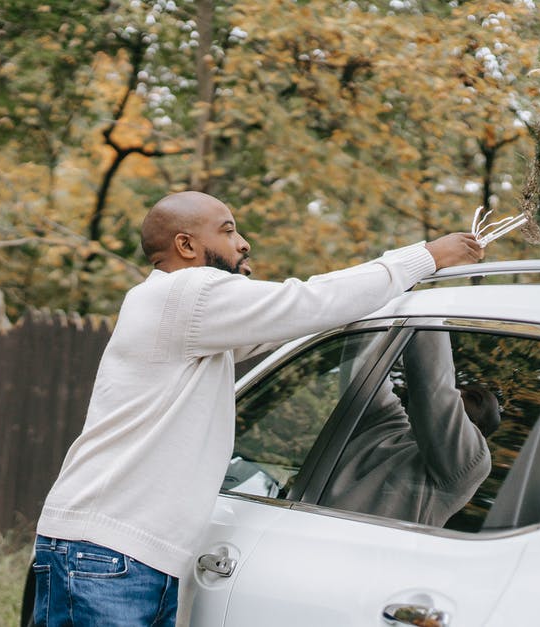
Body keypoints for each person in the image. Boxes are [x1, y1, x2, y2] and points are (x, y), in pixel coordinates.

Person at [32, 190, 485, 626]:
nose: (243, 242)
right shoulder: (185, 294)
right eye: (228, 231)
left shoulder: (184, 314)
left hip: (119, 554)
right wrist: (424, 257)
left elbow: (303, 318)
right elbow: (305, 300)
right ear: (186, 246)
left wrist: (397, 282)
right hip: (106, 554)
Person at [323, 330, 501, 527]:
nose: (459, 392)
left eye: (474, 398)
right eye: (461, 388)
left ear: (478, 431)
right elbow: (361, 364)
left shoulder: (472, 462)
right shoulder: (386, 425)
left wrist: (429, 302)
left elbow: (435, 386)